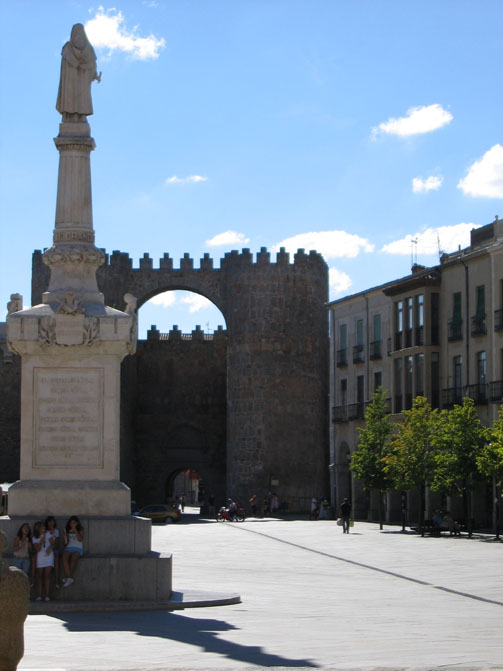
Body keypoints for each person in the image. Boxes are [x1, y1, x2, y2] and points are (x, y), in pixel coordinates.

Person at [56, 23, 101, 121]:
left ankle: (81, 117)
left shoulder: (88, 50)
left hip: (82, 82)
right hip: (70, 82)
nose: (78, 36)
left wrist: (94, 75)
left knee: (82, 100)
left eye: (80, 33)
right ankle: (68, 116)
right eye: (76, 33)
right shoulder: (67, 48)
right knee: (69, 100)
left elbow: (92, 64)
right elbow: (63, 68)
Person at [32, 520, 55, 601]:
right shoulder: (35, 538)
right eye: (42, 527)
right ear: (38, 528)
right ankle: (39, 595)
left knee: (47, 576)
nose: (44, 528)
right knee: (40, 576)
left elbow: (53, 544)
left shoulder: (48, 534)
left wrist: (50, 548)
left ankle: (47, 595)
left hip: (48, 556)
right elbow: (37, 549)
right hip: (40, 557)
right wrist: (41, 541)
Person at [62, 515, 84, 587]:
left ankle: (68, 578)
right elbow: (65, 544)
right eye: (71, 523)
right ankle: (69, 578)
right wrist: (65, 537)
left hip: (78, 548)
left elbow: (80, 539)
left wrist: (76, 530)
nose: (72, 524)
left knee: (73, 559)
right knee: (64, 558)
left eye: (74, 523)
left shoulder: (80, 529)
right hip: (69, 547)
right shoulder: (68, 530)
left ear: (77, 523)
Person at [44, 516, 61, 588]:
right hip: (45, 550)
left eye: (52, 521)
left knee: (56, 558)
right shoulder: (45, 531)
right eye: (49, 521)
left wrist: (52, 547)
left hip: (53, 549)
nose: (51, 523)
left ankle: (57, 580)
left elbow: (57, 543)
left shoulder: (56, 531)